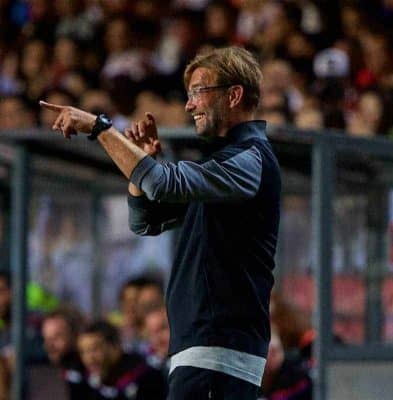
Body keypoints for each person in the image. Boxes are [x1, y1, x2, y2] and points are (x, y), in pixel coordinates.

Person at [40, 46, 281, 399]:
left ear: (234, 95)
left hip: (217, 354)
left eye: (199, 91)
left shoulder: (249, 158)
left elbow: (164, 182)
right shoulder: (223, 165)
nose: (189, 105)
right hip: (203, 352)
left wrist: (100, 128)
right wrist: (144, 169)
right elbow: (146, 221)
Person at [77, 320, 167, 400]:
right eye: (83, 352)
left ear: (115, 346)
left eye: (95, 349)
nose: (89, 358)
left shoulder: (147, 378)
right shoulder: (88, 385)